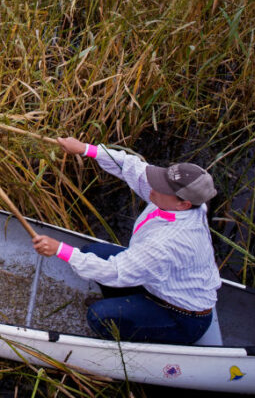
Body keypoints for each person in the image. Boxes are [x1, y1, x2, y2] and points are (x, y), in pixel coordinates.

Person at [32, 137, 221, 344]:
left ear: (183, 204)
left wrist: (59, 249)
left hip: (182, 317)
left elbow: (114, 271)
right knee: (90, 252)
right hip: (159, 285)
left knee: (99, 317)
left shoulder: (167, 243)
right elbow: (134, 168)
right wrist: (86, 149)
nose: (153, 188)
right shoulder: (188, 204)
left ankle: (134, 340)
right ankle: (123, 305)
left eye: (162, 188)